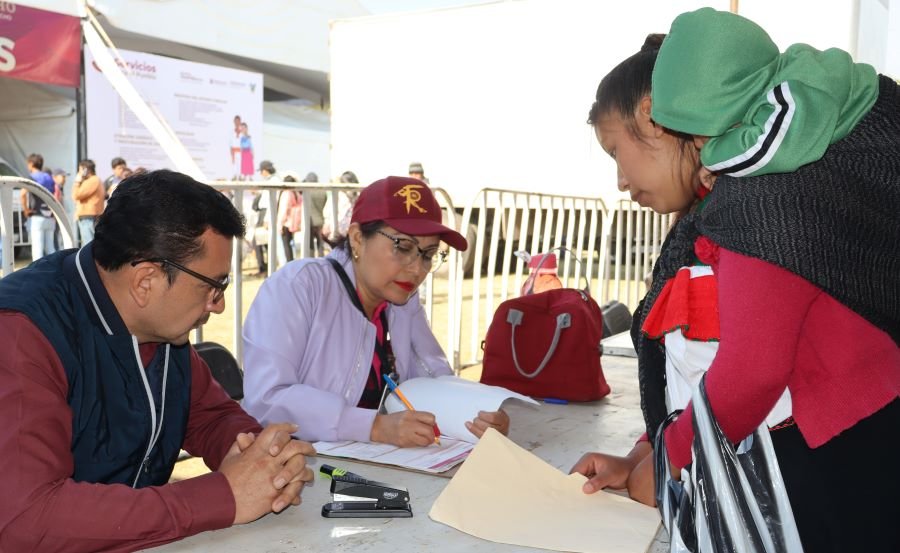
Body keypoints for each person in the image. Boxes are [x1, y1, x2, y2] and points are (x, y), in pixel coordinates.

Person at [570, 32, 899, 552]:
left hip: (833, 472)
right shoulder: (707, 219)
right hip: (802, 460)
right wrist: (641, 455)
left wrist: (671, 462)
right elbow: (693, 371)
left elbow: (753, 371)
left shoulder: (760, 194)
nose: (619, 179)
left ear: (656, 117)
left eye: (616, 150)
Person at [0, 169, 315, 552]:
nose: (219, 306)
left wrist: (264, 461)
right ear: (145, 280)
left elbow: (210, 416)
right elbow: (26, 519)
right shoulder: (20, 334)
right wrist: (220, 497)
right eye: (213, 287)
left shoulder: (159, 327)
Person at [242, 176, 510, 447]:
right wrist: (373, 426)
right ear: (357, 239)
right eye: (403, 247)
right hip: (300, 466)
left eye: (428, 254)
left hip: (375, 462)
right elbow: (267, 399)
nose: (417, 269)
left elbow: (432, 377)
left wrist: (476, 413)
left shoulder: (403, 300)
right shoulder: (299, 286)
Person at [651, 8, 880, 178]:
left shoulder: (792, 93)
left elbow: (768, 150)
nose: (699, 144)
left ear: (730, 95)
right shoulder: (775, 84)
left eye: (700, 128)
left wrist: (712, 157)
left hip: (883, 122)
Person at [24, 153, 57, 260]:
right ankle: (54, 272)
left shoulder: (31, 177)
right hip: (49, 216)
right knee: (51, 249)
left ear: (31, 164)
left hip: (36, 216)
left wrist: (25, 209)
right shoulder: (49, 177)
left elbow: (23, 193)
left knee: (37, 250)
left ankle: (37, 276)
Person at [71, 159, 105, 246]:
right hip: (89, 215)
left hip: (87, 216)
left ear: (85, 169)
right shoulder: (95, 180)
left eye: (80, 170)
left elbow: (76, 195)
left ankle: (88, 260)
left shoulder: (92, 180)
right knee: (89, 242)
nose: (79, 173)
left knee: (88, 244)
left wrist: (77, 181)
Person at [303, 172, 328, 257]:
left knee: (310, 245)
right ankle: (321, 261)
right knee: (320, 244)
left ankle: (311, 261)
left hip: (310, 221)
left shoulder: (307, 191)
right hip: (320, 220)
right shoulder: (323, 191)